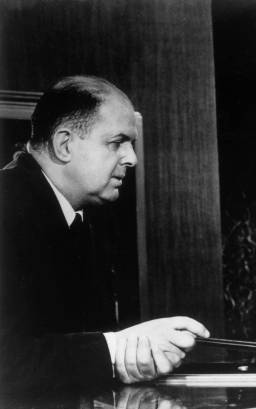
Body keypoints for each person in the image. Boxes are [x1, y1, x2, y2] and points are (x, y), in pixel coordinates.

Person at [0, 76, 210, 392]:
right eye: (116, 143)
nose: (131, 158)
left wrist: (129, 348)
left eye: (131, 145)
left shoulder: (87, 215)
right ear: (64, 145)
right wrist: (116, 350)